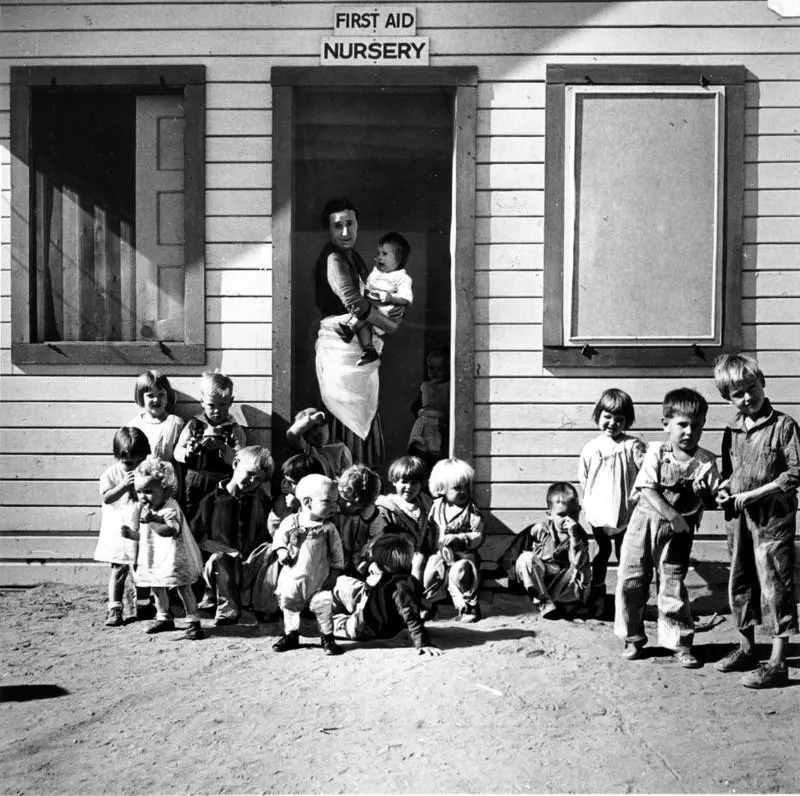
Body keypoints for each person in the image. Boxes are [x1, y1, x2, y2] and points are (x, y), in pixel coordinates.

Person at [614, 388, 721, 668]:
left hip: (679, 534)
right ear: (666, 424)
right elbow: (647, 488)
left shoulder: (706, 462)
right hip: (644, 525)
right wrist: (672, 515)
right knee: (632, 580)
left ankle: (679, 643)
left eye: (696, 425)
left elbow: (715, 498)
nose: (689, 432)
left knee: (672, 584)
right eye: (682, 424)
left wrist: (707, 496)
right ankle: (633, 637)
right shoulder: (656, 453)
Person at [712, 354, 799, 689]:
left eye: (752, 388)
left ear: (762, 383)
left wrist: (755, 495)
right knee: (740, 579)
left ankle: (778, 662)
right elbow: (730, 474)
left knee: (775, 584)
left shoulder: (784, 426)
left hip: (772, 519)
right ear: (727, 398)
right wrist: (723, 489)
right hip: (738, 518)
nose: (748, 397)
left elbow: (795, 473)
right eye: (738, 393)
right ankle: (748, 649)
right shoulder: (732, 431)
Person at [313, 197, 402, 466]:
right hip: (341, 347)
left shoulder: (353, 257)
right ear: (328, 230)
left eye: (350, 224)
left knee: (364, 408)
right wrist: (387, 323)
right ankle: (348, 471)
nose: (345, 232)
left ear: (357, 224)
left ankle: (363, 474)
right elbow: (353, 302)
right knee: (346, 412)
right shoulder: (334, 259)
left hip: (357, 343)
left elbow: (367, 294)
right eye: (337, 226)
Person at [578, 388, 646, 616]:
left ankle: (625, 598)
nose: (612, 423)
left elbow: (645, 472)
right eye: (607, 417)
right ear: (598, 415)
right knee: (602, 551)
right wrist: (592, 502)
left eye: (619, 419)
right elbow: (584, 478)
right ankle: (597, 595)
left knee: (625, 554)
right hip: (600, 510)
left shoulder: (632, 445)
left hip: (625, 510)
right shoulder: (591, 447)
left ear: (627, 422)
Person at [121, 457, 205, 640]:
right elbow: (145, 537)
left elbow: (171, 531)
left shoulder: (170, 508)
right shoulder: (146, 509)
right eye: (139, 492)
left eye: (148, 491)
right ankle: (164, 617)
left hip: (175, 558)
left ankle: (193, 621)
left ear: (166, 491)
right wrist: (131, 534)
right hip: (155, 557)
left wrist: (151, 521)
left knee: (183, 588)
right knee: (157, 587)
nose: (143, 497)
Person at [189, 446, 274, 626]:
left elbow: (267, 535)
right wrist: (226, 550)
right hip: (218, 565)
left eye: (259, 479)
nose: (253, 481)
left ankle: (265, 607)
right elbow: (196, 537)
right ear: (235, 464)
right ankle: (227, 610)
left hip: (249, 565)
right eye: (250, 474)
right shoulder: (212, 500)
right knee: (221, 559)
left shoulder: (262, 501)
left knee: (271, 552)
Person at [331, 532, 441, 656]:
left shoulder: (399, 586)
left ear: (382, 563)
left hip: (365, 628)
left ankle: (331, 617)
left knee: (330, 623)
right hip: (382, 619)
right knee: (342, 582)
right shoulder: (405, 579)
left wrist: (422, 642)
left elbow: (409, 612)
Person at [271, 474, 345, 656]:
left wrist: (334, 573)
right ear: (307, 502)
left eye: (335, 502)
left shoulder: (329, 529)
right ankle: (291, 634)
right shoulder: (291, 522)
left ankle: (327, 637)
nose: (334, 507)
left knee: (324, 605)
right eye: (328, 501)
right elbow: (279, 539)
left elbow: (337, 553)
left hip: (320, 579)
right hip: (294, 577)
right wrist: (282, 551)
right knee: (290, 604)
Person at [502, 482, 591, 618]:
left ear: (579, 510)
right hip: (539, 583)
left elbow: (579, 566)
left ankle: (569, 604)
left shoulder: (579, 535)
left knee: (581, 567)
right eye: (561, 514)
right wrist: (512, 578)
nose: (568, 519)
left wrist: (574, 539)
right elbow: (512, 553)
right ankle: (545, 603)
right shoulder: (539, 530)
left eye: (573, 513)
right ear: (549, 514)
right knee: (526, 559)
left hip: (561, 584)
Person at [93, 427, 151, 627]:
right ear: (117, 456)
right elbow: (107, 497)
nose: (134, 467)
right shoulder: (112, 473)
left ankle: (143, 605)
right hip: (119, 529)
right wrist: (124, 485)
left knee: (143, 566)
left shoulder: (147, 471)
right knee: (119, 568)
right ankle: (115, 608)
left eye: (139, 462)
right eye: (128, 463)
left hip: (139, 527)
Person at [174, 371, 247, 522]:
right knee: (193, 517)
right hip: (195, 481)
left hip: (222, 481)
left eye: (223, 405)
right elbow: (177, 451)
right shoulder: (195, 425)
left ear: (231, 401)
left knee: (219, 519)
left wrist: (223, 447)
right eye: (211, 405)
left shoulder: (233, 429)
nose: (217, 410)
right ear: (202, 402)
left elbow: (241, 460)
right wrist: (188, 452)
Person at [421, 458, 485, 623]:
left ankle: (468, 607)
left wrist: (461, 538)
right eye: (457, 488)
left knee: (460, 571)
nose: (463, 491)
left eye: (466, 486)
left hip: (464, 556)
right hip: (442, 554)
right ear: (441, 488)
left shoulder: (471, 511)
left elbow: (478, 535)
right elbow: (430, 529)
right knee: (431, 567)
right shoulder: (437, 507)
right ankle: (429, 603)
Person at [336, 232, 413, 366]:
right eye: (379, 253)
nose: (379, 257)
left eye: (384, 254)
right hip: (371, 310)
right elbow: (368, 287)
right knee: (364, 323)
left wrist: (391, 298)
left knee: (363, 313)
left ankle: (349, 329)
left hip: (387, 315)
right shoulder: (377, 272)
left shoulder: (402, 278)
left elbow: (406, 299)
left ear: (399, 259)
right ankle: (368, 350)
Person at [376, 455, 433, 583]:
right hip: (396, 560)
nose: (409, 487)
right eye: (404, 482)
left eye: (414, 483)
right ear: (394, 481)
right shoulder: (385, 507)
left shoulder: (427, 505)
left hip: (422, 560)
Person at [335, 464, 397, 578]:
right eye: (340, 498)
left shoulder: (374, 520)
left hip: (360, 566)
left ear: (362, 502)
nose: (341, 503)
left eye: (348, 501)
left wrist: (362, 565)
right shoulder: (341, 512)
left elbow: (371, 548)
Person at [407, 348, 451, 473]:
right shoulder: (426, 386)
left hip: (441, 427)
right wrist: (420, 414)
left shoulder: (450, 386)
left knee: (438, 458)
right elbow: (416, 405)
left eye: (440, 369)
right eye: (431, 368)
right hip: (424, 426)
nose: (434, 372)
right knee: (419, 453)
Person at [127, 370, 184, 465]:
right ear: (141, 397)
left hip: (167, 472)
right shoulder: (134, 425)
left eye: (161, 394)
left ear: (167, 395)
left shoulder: (176, 423)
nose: (156, 399)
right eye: (150, 395)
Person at [267, 453, 326, 536]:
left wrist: (299, 508)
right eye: (284, 479)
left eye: (291, 482)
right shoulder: (283, 500)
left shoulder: (325, 504)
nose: (284, 485)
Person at [286, 408, 353, 479]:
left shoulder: (340, 449)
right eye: (308, 430)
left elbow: (347, 478)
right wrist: (311, 419)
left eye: (318, 425)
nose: (316, 432)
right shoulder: (308, 449)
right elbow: (291, 435)